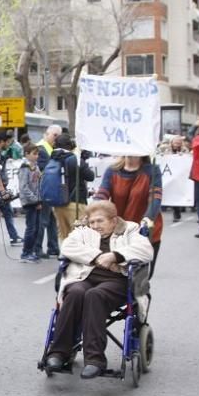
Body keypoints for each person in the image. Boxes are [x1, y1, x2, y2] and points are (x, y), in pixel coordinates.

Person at [42, 201, 154, 379]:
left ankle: (95, 360)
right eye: (92, 222)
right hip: (84, 277)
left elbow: (146, 251)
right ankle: (58, 353)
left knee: (95, 296)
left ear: (113, 220)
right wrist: (97, 257)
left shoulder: (130, 230)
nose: (95, 226)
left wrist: (115, 256)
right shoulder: (82, 232)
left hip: (117, 282)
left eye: (100, 221)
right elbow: (67, 247)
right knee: (75, 293)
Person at [94, 155, 163, 275]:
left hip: (145, 229)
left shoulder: (152, 170)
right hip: (120, 230)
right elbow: (102, 194)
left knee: (140, 278)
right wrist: (93, 211)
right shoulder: (112, 170)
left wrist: (147, 219)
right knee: (116, 274)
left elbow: (155, 198)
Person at [49, 134, 96, 243]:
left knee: (63, 234)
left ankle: (65, 256)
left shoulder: (52, 159)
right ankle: (77, 256)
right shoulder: (75, 160)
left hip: (57, 203)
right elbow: (90, 176)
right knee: (80, 233)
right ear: (70, 145)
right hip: (76, 202)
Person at [36, 125, 63, 258]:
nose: (56, 139)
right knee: (43, 220)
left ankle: (53, 246)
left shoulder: (50, 148)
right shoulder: (41, 149)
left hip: (50, 188)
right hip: (44, 189)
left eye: (58, 136)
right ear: (47, 134)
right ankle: (38, 248)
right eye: (54, 135)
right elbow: (44, 169)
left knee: (51, 219)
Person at [18, 143, 42, 263]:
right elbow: (23, 187)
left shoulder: (35, 166)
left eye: (37, 153)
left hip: (36, 200)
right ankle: (25, 253)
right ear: (26, 154)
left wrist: (39, 199)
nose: (36, 156)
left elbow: (37, 184)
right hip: (29, 201)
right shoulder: (24, 167)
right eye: (34, 154)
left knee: (36, 228)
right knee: (31, 228)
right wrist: (35, 199)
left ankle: (31, 251)